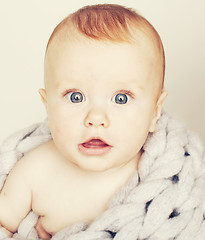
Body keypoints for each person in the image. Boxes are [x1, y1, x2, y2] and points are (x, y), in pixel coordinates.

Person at [0, 4, 204, 240]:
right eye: (76, 97)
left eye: (121, 98)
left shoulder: (168, 182)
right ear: (47, 105)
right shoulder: (34, 171)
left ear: (155, 112)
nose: (96, 118)